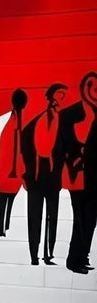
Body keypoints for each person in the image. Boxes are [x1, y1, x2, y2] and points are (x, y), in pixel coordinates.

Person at [21, 84, 68, 265]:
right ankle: (34, 255)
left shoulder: (62, 122)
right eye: (59, 96)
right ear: (51, 98)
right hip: (37, 175)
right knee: (35, 217)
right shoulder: (40, 121)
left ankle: (48, 254)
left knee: (51, 216)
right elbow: (34, 146)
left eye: (64, 96)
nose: (62, 99)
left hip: (52, 176)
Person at [60, 72, 97, 274]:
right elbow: (61, 146)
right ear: (85, 88)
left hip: (93, 177)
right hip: (77, 177)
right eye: (93, 88)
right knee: (82, 219)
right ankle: (75, 260)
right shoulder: (69, 114)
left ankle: (80, 258)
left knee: (89, 219)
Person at [0, 89, 28, 237]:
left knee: (2, 203)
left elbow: (3, 153)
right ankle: (4, 228)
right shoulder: (20, 124)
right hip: (15, 174)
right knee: (6, 202)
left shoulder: (10, 124)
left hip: (8, 173)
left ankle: (3, 229)